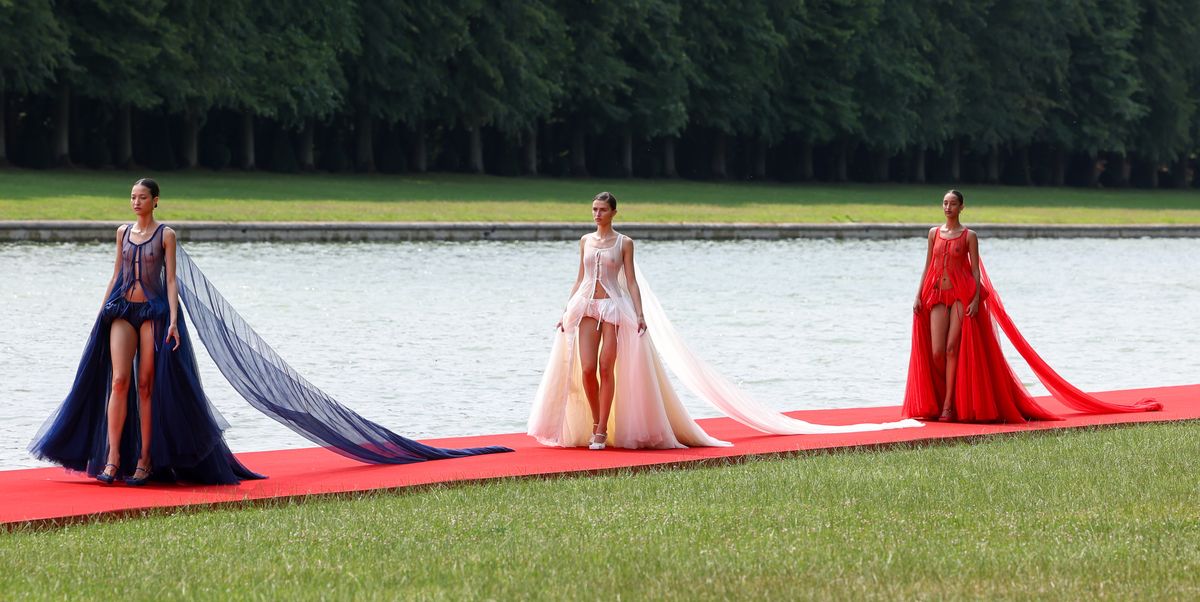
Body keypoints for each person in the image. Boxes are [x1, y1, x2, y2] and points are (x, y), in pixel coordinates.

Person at [31, 178, 510, 485]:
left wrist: (174, 319)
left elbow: (172, 281)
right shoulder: (122, 233)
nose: (136, 202)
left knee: (145, 385)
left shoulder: (167, 235)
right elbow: (116, 273)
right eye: (132, 197)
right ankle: (113, 460)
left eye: (142, 197)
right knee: (118, 382)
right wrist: (101, 310)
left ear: (156, 201)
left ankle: (145, 462)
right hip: (121, 310)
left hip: (154, 311)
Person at [528, 192, 921, 450]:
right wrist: (566, 309)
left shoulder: (624, 243)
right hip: (586, 305)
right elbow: (579, 277)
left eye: (602, 210)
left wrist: (641, 314)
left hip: (615, 307)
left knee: (607, 366)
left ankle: (601, 429)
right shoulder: (585, 241)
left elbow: (630, 281)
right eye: (594, 210)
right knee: (586, 368)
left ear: (614, 212)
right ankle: (594, 419)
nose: (597, 214)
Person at [902, 189, 1161, 422]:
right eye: (945, 203)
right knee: (936, 352)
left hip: (962, 294)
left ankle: (949, 405)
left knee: (951, 349)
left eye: (952, 203)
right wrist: (917, 296)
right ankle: (943, 397)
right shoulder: (934, 233)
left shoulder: (969, 235)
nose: (947, 207)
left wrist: (975, 299)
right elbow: (928, 265)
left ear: (961, 207)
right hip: (936, 293)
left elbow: (976, 270)